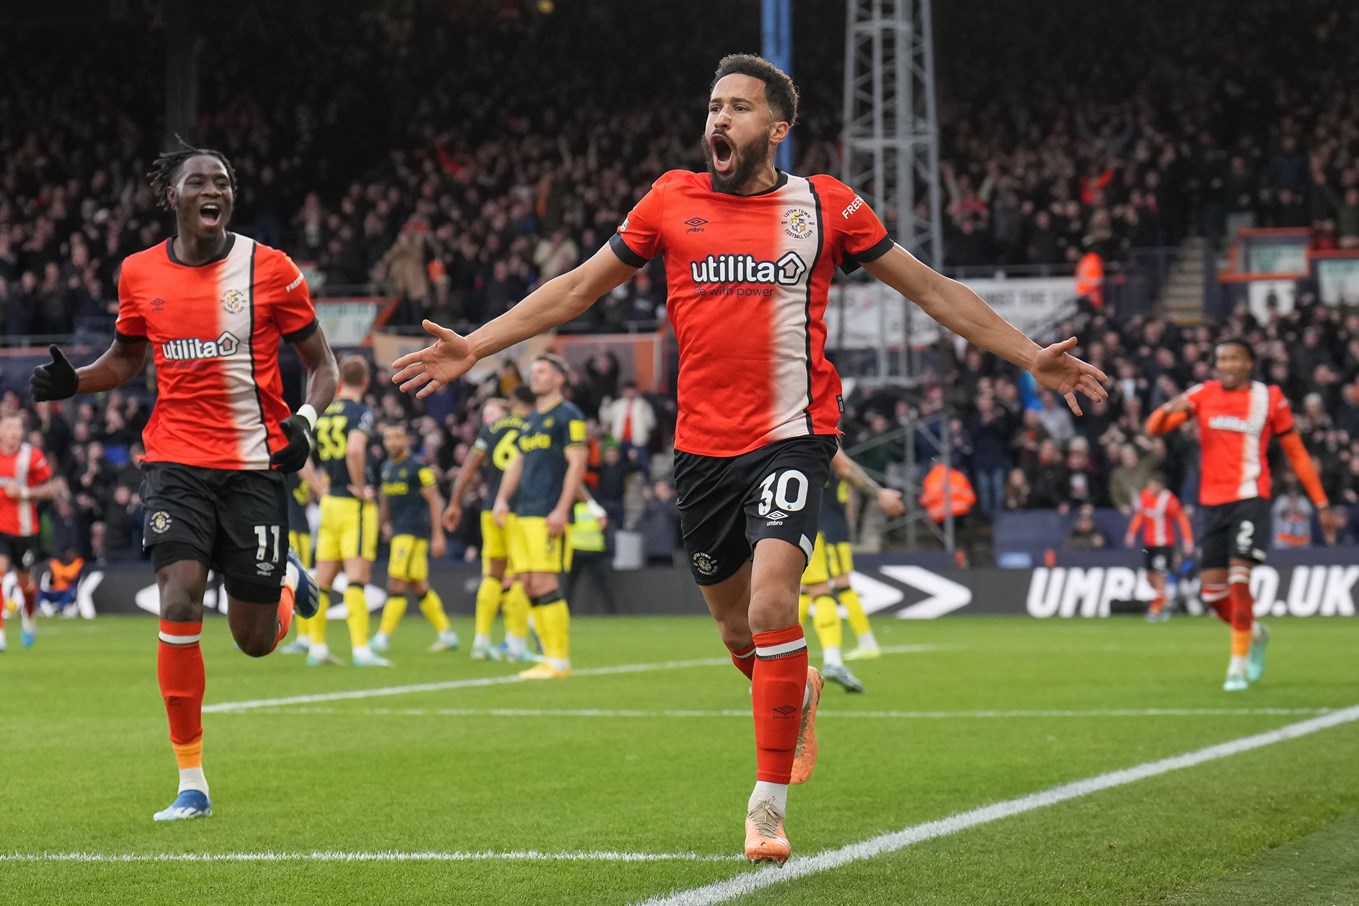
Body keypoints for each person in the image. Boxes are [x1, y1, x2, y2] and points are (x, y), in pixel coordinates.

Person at [391, 54, 1106, 863]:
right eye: (711, 106)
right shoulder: (669, 199)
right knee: (736, 627)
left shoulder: (826, 205)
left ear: (776, 127)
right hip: (701, 449)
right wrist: (476, 348)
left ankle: (765, 809)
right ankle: (791, 685)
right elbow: (574, 289)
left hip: (793, 436)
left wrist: (1027, 356)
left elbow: (932, 290)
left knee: (772, 602)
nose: (717, 120)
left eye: (736, 107)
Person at [29, 143, 336, 820]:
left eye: (223, 182)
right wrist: (73, 382)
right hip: (175, 463)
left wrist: (307, 419)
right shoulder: (139, 273)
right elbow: (127, 358)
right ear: (172, 196)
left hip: (255, 468)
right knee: (178, 601)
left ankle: (283, 576)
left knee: (256, 642)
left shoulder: (271, 269)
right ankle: (191, 781)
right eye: (199, 180)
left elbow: (322, 366)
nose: (214, 190)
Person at [1146, 337, 1334, 691]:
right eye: (1222, 359)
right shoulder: (1203, 393)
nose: (1227, 365)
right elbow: (1153, 429)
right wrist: (1170, 409)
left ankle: (1237, 666)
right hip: (1211, 503)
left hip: (1251, 498)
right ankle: (1256, 633)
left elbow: (1296, 453)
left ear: (1248, 363)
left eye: (1235, 358)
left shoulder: (1269, 398)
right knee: (1213, 595)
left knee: (1239, 580)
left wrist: (1321, 503)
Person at [492, 354, 588, 679]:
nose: (535, 375)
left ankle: (560, 660)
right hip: (523, 513)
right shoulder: (531, 419)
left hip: (548, 511)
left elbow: (577, 463)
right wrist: (502, 499)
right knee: (530, 585)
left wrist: (562, 508)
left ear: (560, 378)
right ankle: (548, 657)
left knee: (545, 582)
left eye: (543, 370)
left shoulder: (568, 416)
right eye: (533, 371)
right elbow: (517, 463)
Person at [799, 449, 907, 695]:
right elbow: (845, 469)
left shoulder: (786, 430)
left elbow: (844, 469)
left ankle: (830, 659)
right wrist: (879, 494)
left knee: (815, 588)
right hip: (827, 525)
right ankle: (835, 657)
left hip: (808, 524)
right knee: (812, 589)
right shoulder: (818, 432)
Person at [445, 386, 536, 662]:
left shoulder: (491, 430)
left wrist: (454, 503)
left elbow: (469, 468)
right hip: (521, 509)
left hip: (490, 509)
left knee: (492, 575)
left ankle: (481, 641)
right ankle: (517, 645)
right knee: (521, 575)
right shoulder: (533, 425)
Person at [310, 356, 387, 667]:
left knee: (324, 578)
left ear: (339, 379)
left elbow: (299, 455)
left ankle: (316, 647)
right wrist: (359, 486)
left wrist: (318, 489)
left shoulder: (324, 410)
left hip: (328, 503)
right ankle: (361, 649)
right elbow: (355, 449)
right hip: (352, 505)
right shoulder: (360, 412)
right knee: (357, 577)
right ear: (366, 381)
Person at [372, 424, 457, 653]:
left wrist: (438, 536)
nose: (392, 442)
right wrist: (379, 529)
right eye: (388, 437)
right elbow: (385, 502)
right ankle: (447, 633)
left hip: (413, 533)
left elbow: (434, 502)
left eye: (397, 437)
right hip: (399, 532)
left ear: (407, 440)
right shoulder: (386, 468)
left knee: (396, 583)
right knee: (419, 587)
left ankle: (382, 637)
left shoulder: (418, 468)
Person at [0, 412, 58, 650]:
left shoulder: (31, 456)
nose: (15, 432)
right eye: (10, 427)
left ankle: (29, 618)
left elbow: (51, 489)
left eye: (18, 427)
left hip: (24, 530)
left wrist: (24, 493)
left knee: (26, 584)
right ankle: (1, 634)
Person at [1123, 473, 1193, 621]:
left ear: (1161, 486)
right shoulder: (1145, 496)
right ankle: (1166, 601)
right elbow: (1140, 515)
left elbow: (1181, 518)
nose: (1150, 488)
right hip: (1149, 544)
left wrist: (1187, 540)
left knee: (1160, 575)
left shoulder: (1169, 499)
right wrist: (1131, 533)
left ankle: (1155, 608)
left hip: (1164, 544)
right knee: (1149, 577)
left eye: (1153, 485)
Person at [37, 545, 85, 618]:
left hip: (66, 592)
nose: (70, 555)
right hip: (56, 591)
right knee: (39, 591)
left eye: (72, 553)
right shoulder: (56, 563)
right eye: (69, 553)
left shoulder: (77, 562)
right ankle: (46, 609)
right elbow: (50, 579)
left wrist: (60, 572)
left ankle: (60, 609)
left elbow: (71, 576)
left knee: (73, 590)